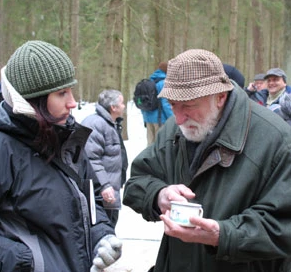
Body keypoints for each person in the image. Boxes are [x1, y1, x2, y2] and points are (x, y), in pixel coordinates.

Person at [123, 49, 291, 272]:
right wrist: (158, 195)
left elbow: (283, 225)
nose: (179, 118)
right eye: (173, 104)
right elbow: (137, 182)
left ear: (220, 97)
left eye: (189, 106)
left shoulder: (277, 141)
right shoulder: (174, 130)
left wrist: (222, 235)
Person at [0, 40, 122, 272]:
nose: (73, 102)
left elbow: (92, 199)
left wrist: (101, 234)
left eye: (71, 90)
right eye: (62, 93)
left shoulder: (68, 139)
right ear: (34, 101)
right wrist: (21, 260)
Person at [81, 89, 128, 229]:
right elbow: (91, 158)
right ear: (113, 107)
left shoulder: (110, 124)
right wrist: (104, 185)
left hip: (110, 192)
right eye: (122, 103)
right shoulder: (96, 124)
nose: (124, 106)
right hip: (101, 195)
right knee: (103, 231)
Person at [141, 62, 173, 145]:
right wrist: (173, 119)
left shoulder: (150, 81)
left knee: (150, 146)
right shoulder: (163, 83)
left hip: (148, 119)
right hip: (160, 120)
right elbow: (165, 103)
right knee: (161, 146)